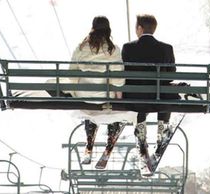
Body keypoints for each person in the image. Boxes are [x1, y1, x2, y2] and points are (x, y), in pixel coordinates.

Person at [122, 14, 178, 175]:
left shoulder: (128, 48)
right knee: (167, 95)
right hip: (159, 99)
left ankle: (141, 141)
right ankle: (162, 133)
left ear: (139, 28)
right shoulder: (167, 48)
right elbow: (171, 75)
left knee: (139, 105)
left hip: (135, 99)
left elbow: (122, 73)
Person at [68, 16, 128, 165]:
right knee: (116, 112)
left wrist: (76, 90)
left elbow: (71, 74)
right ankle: (109, 147)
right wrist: (119, 99)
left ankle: (89, 145)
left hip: (83, 96)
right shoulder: (112, 50)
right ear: (108, 30)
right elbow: (118, 80)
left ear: (92, 28)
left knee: (91, 110)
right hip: (103, 96)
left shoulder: (81, 47)